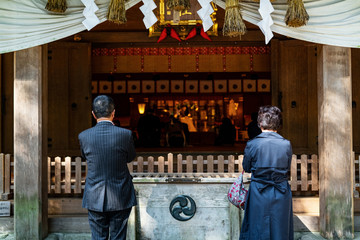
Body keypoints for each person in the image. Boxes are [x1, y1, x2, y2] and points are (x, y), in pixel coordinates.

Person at [78, 95, 137, 240]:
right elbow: (130, 157)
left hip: (94, 194)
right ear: (113, 113)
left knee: (98, 237)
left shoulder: (84, 136)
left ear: (93, 114)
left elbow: (85, 156)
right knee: (118, 236)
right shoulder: (125, 134)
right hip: (120, 193)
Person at [240, 105, 293, 240]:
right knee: (280, 229)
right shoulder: (286, 144)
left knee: (257, 227)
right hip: (280, 190)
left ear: (259, 123)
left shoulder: (252, 144)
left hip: (258, 190)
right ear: (278, 124)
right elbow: (287, 168)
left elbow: (246, 166)